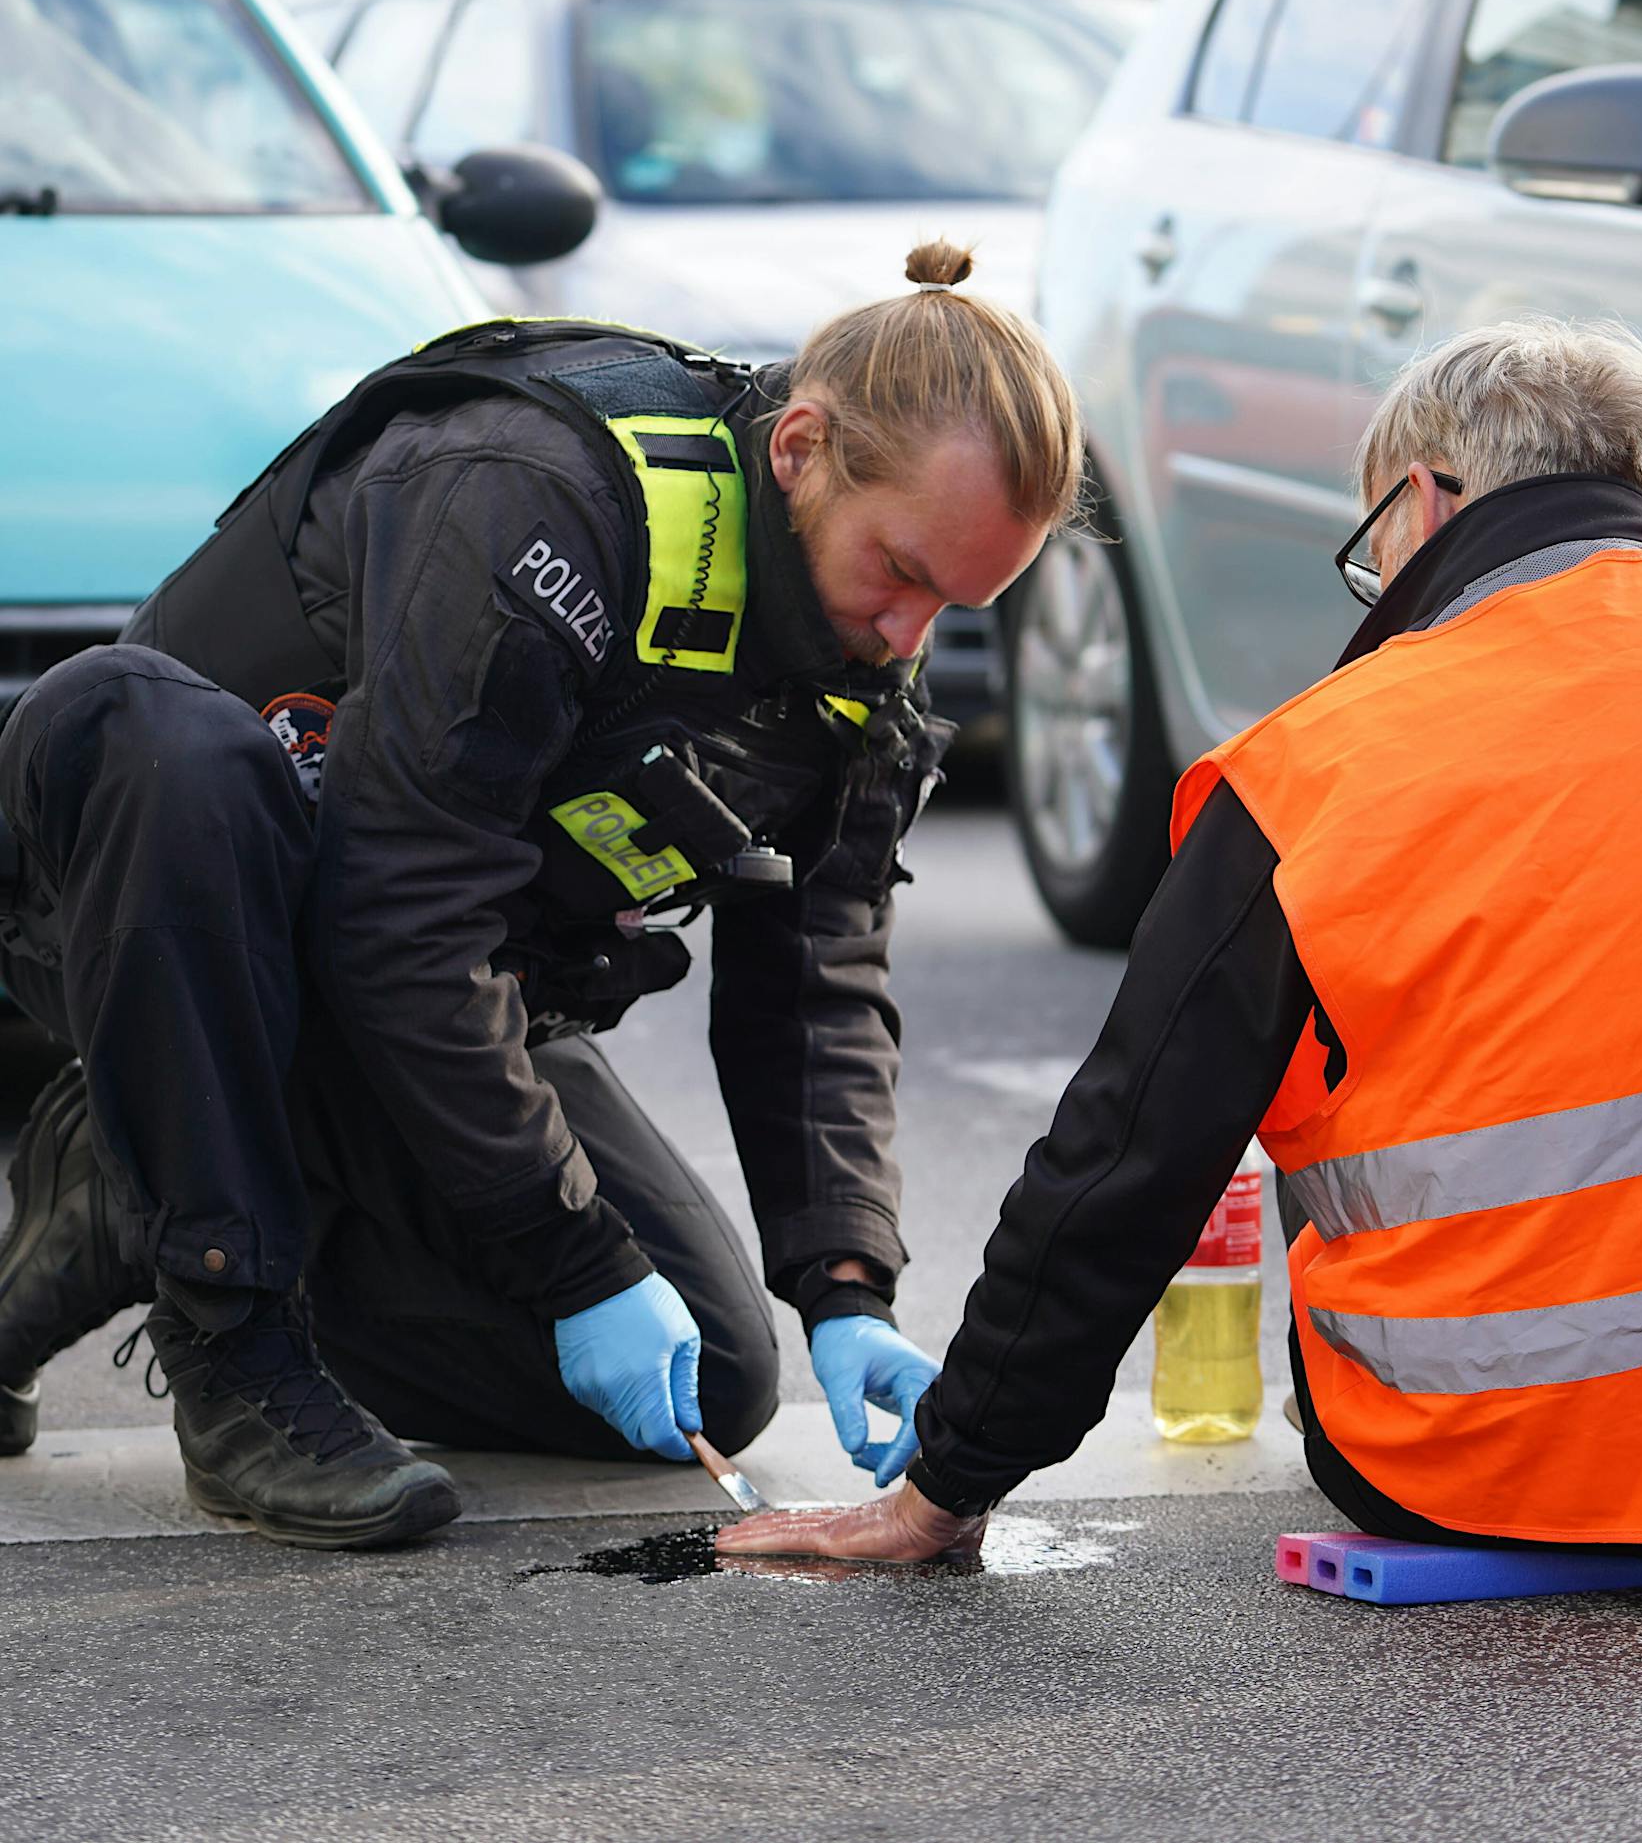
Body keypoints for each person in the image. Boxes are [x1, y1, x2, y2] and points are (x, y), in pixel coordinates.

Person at [720, 318, 1642, 1568]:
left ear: (1424, 502)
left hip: (1465, 1461)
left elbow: (1127, 1157)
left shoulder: (1314, 767)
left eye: (1373, 542)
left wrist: (941, 1484)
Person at [0, 241, 1081, 1550]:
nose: (909, 637)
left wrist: (848, 1286)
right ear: (798, 448)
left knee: (716, 1379)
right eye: (903, 574)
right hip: (160, 934)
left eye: (955, 605)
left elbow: (810, 982)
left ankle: (141, 1189)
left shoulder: (856, 674)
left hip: (428, 994)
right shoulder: (538, 496)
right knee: (153, 731)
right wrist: (570, 1254)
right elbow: (399, 908)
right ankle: (234, 1340)